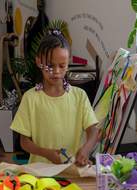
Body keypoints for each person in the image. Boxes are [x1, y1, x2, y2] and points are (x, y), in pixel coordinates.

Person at [10, 30, 98, 166]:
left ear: (68, 63)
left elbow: (93, 131)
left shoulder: (79, 96)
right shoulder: (30, 98)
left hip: (71, 171)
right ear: (39, 61)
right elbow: (24, 142)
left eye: (62, 66)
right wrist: (46, 153)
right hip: (40, 174)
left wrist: (85, 150)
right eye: (50, 66)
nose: (56, 71)